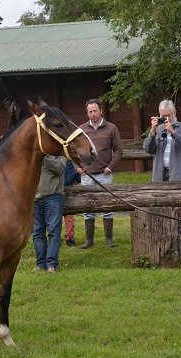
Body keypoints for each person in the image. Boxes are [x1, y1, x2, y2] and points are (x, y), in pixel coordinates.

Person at [74, 99, 123, 249]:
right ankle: (89, 240)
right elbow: (73, 151)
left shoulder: (111, 128)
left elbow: (119, 150)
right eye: (90, 111)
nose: (93, 114)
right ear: (87, 113)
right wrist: (78, 168)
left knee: (108, 207)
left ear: (101, 111)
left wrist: (110, 167)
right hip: (87, 175)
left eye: (95, 111)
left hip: (104, 174)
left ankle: (109, 239)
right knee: (88, 208)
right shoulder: (81, 129)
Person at [142, 100, 181, 182]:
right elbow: (148, 149)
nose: (166, 119)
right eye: (163, 116)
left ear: (175, 113)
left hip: (178, 175)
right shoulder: (158, 129)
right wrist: (152, 132)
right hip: (159, 175)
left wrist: (173, 132)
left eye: (168, 115)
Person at [32, 155, 67, 274]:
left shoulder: (60, 154)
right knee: (37, 233)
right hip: (35, 199)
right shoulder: (34, 155)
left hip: (53, 197)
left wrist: (45, 156)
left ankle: (51, 264)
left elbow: (60, 168)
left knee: (53, 232)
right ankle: (40, 264)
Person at [63, 160, 81, 247]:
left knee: (69, 214)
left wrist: (76, 179)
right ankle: (55, 237)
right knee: (55, 215)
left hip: (70, 186)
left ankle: (69, 237)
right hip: (55, 185)